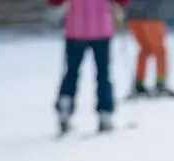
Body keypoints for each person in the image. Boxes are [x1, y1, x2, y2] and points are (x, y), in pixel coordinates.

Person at [48, 0, 129, 134]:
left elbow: (54, 2)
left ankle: (65, 105)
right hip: (101, 29)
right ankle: (105, 114)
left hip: (76, 30)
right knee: (103, 74)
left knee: (72, 72)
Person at [126, 0, 174, 98]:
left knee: (145, 50)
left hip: (133, 15)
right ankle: (160, 84)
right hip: (151, 16)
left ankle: (139, 83)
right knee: (160, 51)